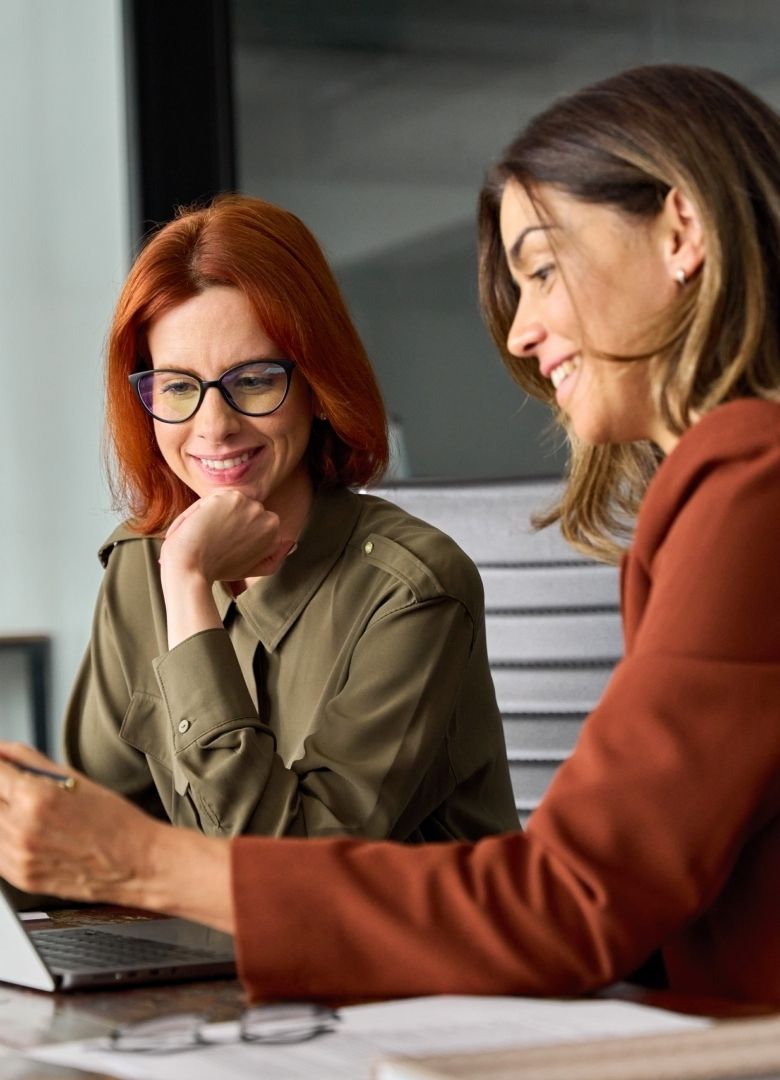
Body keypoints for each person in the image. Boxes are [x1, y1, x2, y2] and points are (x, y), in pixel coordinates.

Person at [1, 62, 779, 1006]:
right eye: (176, 388)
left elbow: (575, 902)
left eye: (539, 268)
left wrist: (143, 866)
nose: (522, 333)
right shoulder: (714, 486)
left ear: (683, 232)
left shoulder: (752, 481)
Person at [57, 194, 519, 842]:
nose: (213, 427)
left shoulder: (412, 592)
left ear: (318, 387)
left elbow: (287, 872)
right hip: (199, 945)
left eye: (251, 380)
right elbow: (91, 833)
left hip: (376, 943)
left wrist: (189, 588)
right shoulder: (139, 566)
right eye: (178, 387)